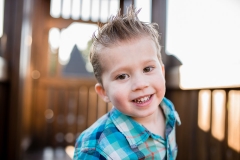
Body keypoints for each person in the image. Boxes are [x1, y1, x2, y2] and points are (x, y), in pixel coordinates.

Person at [73, 6, 181, 160]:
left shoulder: (167, 110)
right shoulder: (94, 149)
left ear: (162, 72)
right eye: (122, 76)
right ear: (103, 92)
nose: (140, 84)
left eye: (148, 68)